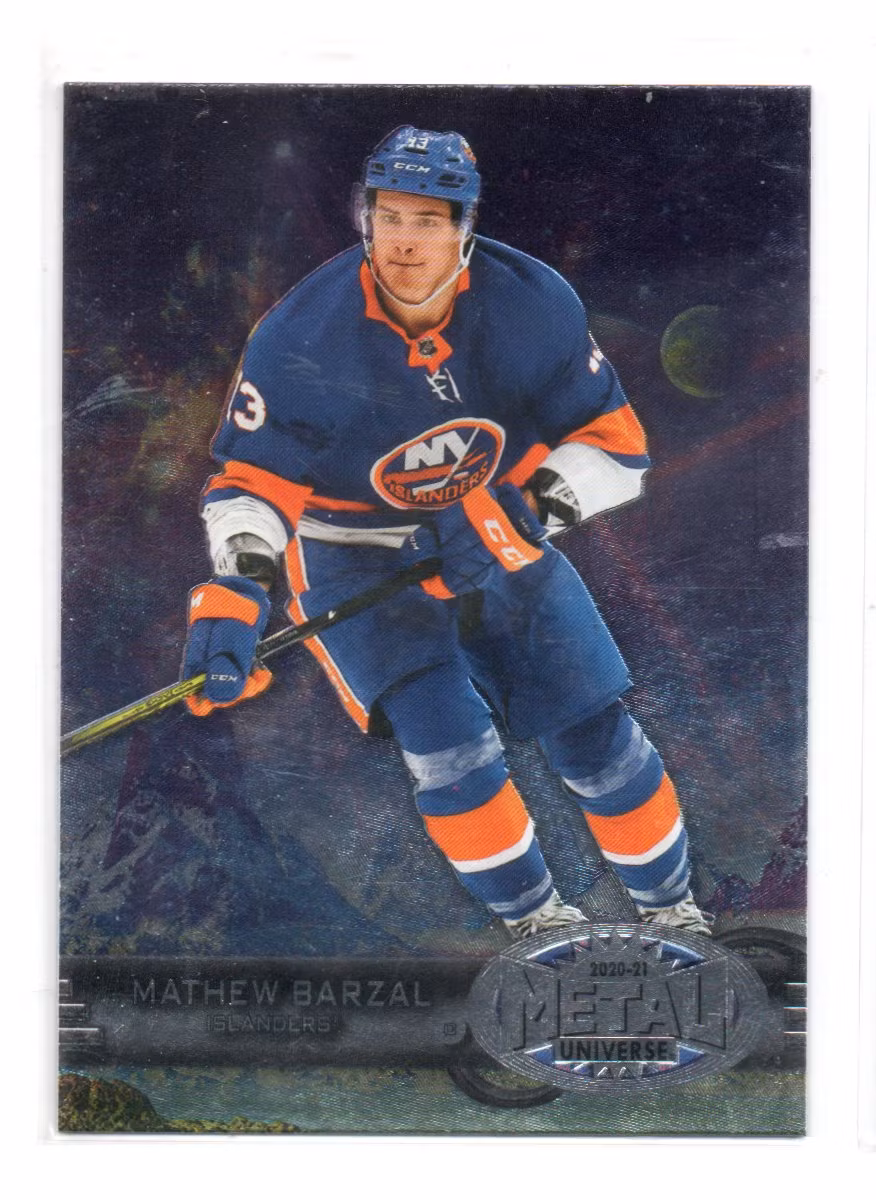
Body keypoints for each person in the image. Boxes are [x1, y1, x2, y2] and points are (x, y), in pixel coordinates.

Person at [181, 126, 711, 939]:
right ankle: (539, 930)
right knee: (450, 755)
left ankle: (674, 913)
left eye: (427, 221)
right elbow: (252, 484)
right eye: (389, 217)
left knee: (594, 732)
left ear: (466, 226)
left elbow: (617, 447)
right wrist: (242, 582)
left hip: (496, 525)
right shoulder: (298, 336)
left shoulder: (532, 301)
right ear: (365, 220)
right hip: (354, 554)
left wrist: (528, 512)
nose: (403, 242)